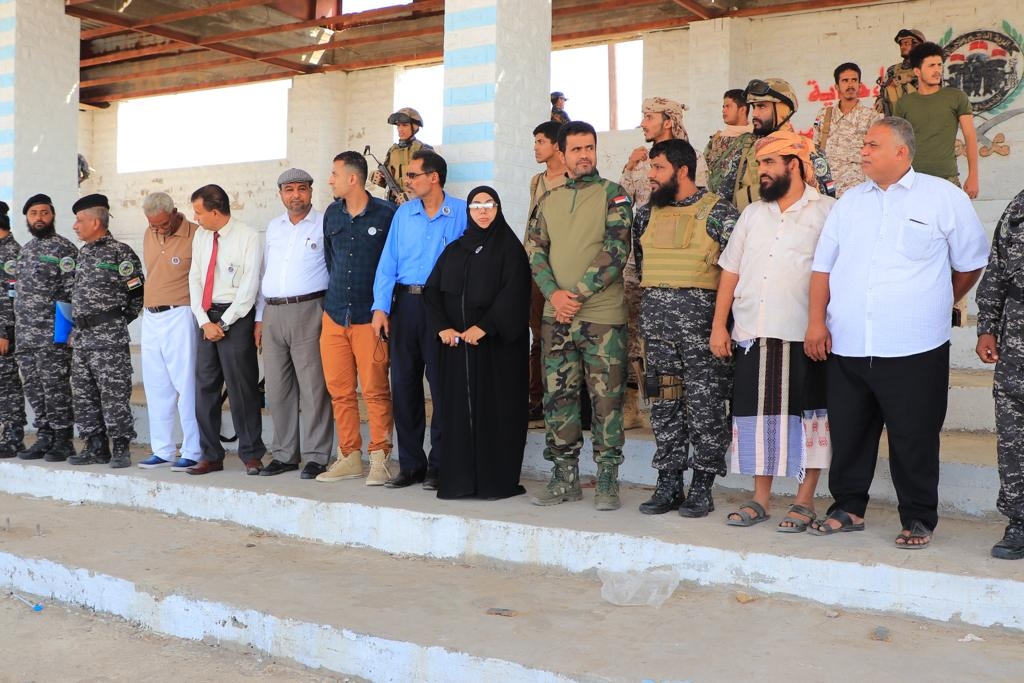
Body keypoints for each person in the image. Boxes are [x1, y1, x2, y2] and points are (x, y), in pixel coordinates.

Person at [805, 117, 988, 548]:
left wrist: (939, 300)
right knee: (850, 433)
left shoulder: (943, 197)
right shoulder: (850, 202)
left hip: (914, 345)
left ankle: (918, 518)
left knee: (914, 436)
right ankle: (848, 508)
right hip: (849, 342)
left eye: (872, 145)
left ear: (901, 152)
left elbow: (971, 262)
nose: (863, 152)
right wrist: (816, 322)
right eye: (864, 145)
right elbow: (823, 267)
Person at [711, 131, 835, 530]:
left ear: (793, 165)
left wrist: (820, 324)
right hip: (753, 332)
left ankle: (804, 500)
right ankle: (760, 499)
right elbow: (730, 271)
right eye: (759, 163)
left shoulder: (827, 211)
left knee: (809, 418)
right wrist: (719, 325)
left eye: (768, 163)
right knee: (755, 418)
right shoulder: (751, 214)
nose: (761, 171)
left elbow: (835, 274)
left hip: (805, 333)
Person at [526, 120, 632, 511]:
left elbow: (616, 250)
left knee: (606, 400)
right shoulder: (549, 199)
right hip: (557, 318)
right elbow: (534, 249)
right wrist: (555, 295)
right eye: (576, 149)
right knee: (558, 398)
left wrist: (578, 294)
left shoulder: (613, 194)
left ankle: (607, 478)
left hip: (603, 318)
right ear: (563, 154)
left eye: (589, 147)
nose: (584, 155)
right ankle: (564, 477)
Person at [633, 139, 739, 517]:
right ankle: (669, 482)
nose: (651, 175)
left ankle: (703, 485)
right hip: (657, 330)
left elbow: (735, 272)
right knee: (664, 405)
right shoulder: (645, 215)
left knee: (705, 407)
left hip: (703, 332)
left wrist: (721, 326)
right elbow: (643, 267)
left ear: (682, 171)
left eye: (658, 167)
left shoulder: (720, 212)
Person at [424, 186, 532, 499]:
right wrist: (443, 327)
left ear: (498, 209)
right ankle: (459, 481)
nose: (482, 211)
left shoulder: (509, 249)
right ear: (468, 211)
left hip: (495, 351)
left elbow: (515, 293)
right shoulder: (455, 249)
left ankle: (494, 482)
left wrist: (485, 327)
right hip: (457, 349)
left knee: (495, 413)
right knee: (457, 413)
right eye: (476, 206)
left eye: (489, 204)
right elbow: (432, 292)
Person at [371, 150, 467, 490]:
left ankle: (440, 464)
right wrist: (380, 308)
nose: (407, 181)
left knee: (442, 388)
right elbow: (388, 262)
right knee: (404, 386)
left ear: (434, 177)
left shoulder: (461, 212)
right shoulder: (403, 214)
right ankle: (411, 465)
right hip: (406, 306)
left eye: (413, 175)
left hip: (442, 308)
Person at [317, 151, 397, 486]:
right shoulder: (331, 214)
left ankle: (379, 458)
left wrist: (384, 309)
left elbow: (392, 265)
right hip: (335, 315)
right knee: (340, 391)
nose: (330, 180)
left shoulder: (387, 214)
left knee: (375, 391)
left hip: (370, 318)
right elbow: (331, 260)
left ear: (353, 178)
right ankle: (349, 456)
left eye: (334, 174)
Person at [619, 97, 693, 430]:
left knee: (672, 338)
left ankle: (674, 406)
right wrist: (627, 167)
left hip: (675, 265)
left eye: (649, 116)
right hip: (637, 265)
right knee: (632, 336)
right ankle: (632, 405)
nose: (643, 123)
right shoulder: (639, 161)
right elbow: (621, 203)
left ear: (668, 121)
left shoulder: (689, 158)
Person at [253, 169, 332, 480]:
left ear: (311, 191)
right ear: (281, 194)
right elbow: (265, 273)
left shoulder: (324, 223)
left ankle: (316, 456)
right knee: (277, 388)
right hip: (273, 313)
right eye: (289, 190)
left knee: (313, 387)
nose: (295, 195)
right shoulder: (274, 227)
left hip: (309, 309)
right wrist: (260, 318)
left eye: (301, 189)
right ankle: (284, 455)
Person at [187, 184, 266, 475]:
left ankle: (251, 454)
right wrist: (203, 321)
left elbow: (249, 287)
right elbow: (195, 278)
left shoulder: (248, 236)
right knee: (205, 389)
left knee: (242, 388)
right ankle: (211, 455)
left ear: (216, 211)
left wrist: (223, 323)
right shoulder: (201, 236)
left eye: (199, 212)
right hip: (206, 318)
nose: (195, 218)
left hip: (236, 317)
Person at [65, 194, 144, 468]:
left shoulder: (120, 253)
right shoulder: (82, 254)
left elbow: (137, 295)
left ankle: (121, 447)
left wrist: (114, 324)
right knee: (84, 394)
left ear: (95, 222)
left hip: (109, 339)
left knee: (113, 394)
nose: (75, 226)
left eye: (79, 220)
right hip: (82, 338)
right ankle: (95, 446)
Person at [135, 192, 203, 470]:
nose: (159, 229)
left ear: (175, 213)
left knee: (186, 385)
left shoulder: (196, 234)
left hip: (181, 313)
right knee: (156, 385)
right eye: (153, 224)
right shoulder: (148, 233)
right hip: (151, 316)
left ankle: (193, 449)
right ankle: (163, 449)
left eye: (163, 224)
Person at [976, 188, 1024, 559]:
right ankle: (1019, 522)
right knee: (1013, 440)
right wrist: (987, 327)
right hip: (1015, 348)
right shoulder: (1019, 207)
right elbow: (996, 270)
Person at [14, 194, 77, 462]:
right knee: (34, 389)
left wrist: (67, 333)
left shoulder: (64, 249)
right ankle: (44, 436)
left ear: (52, 216)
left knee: (55, 389)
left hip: (52, 336)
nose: (39, 218)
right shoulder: (25, 250)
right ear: (27, 218)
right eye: (33, 214)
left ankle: (63, 440)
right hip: (25, 336)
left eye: (44, 213)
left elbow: (73, 294)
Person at [733, 78, 835, 211]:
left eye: (762, 106)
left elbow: (826, 206)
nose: (755, 114)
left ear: (782, 110)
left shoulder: (809, 153)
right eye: (754, 107)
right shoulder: (743, 150)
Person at [894, 41, 979, 198]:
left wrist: (973, 175)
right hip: (912, 180)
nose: (937, 70)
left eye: (939, 65)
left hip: (948, 179)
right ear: (917, 71)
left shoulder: (956, 97)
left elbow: (970, 136)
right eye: (931, 66)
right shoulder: (904, 103)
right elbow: (896, 144)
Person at [528, 121, 568, 424]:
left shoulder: (572, 178)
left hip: (563, 265)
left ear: (556, 145)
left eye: (541, 141)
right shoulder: (536, 181)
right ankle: (536, 400)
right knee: (538, 337)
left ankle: (567, 402)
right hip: (535, 265)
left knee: (566, 336)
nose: (536, 147)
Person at [813, 62, 882, 197]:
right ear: (837, 86)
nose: (850, 85)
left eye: (854, 80)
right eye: (845, 81)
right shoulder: (824, 115)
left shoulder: (872, 117)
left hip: (860, 193)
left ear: (860, 85)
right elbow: (814, 151)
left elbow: (878, 156)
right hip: (827, 193)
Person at [0, 202, 26, 458]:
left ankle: (13, 437)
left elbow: (10, 297)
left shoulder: (10, 253)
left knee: (6, 384)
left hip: (5, 331)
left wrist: (4, 332)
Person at [371, 108, 433, 204]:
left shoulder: (424, 150)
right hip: (393, 203)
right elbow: (388, 180)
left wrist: (413, 195)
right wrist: (379, 179)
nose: (400, 129)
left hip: (417, 204)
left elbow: (432, 181)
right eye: (398, 125)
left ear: (414, 127)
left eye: (405, 125)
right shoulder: (392, 151)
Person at [702, 89, 754, 202]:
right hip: (710, 204)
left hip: (739, 204)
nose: (723, 110)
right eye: (723, 106)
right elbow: (703, 169)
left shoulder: (754, 140)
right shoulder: (717, 139)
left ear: (742, 109)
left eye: (728, 106)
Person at [875, 28, 925, 115]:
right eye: (901, 44)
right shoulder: (892, 70)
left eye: (906, 43)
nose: (902, 47)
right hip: (895, 120)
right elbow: (882, 94)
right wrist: (880, 100)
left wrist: (910, 79)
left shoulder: (927, 69)